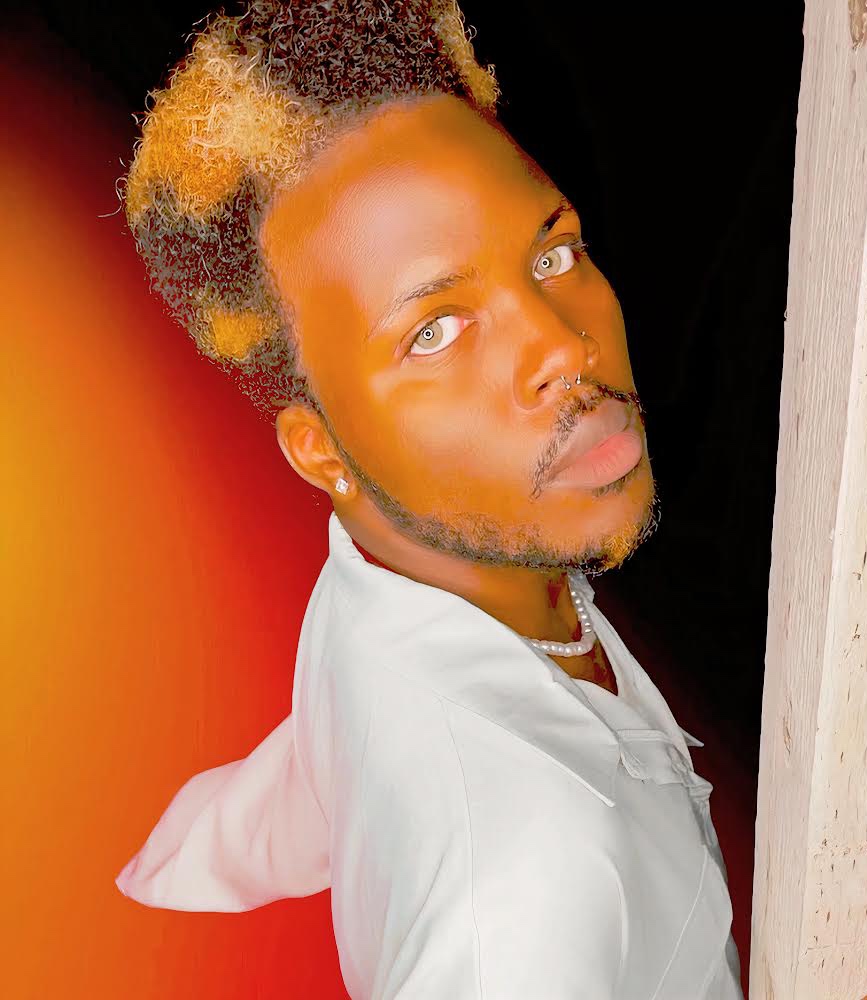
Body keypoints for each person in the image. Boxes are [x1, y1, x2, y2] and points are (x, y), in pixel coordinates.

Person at [112, 2, 746, 996]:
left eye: (552, 256)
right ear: (322, 450)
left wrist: (173, 868)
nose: (564, 348)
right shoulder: (521, 893)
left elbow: (305, 775)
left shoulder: (377, 578)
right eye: (435, 333)